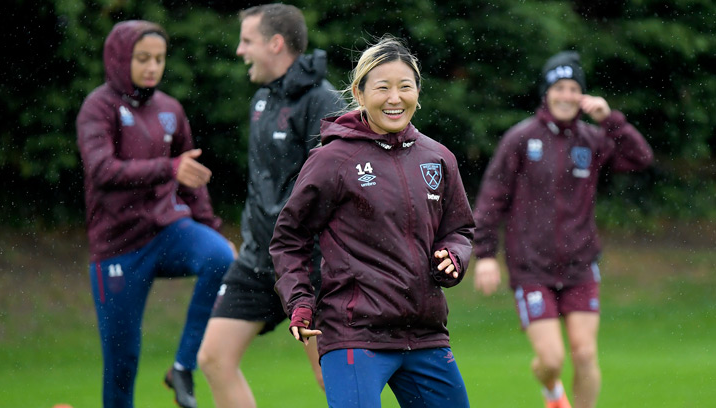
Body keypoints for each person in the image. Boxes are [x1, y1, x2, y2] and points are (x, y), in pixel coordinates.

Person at [269, 36, 476, 408]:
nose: (395, 98)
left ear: (418, 91)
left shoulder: (439, 157)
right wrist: (299, 300)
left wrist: (454, 256)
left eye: (405, 87)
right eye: (382, 88)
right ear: (359, 94)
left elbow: (459, 229)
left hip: (425, 334)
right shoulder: (332, 160)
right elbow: (290, 237)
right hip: (353, 333)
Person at [472, 51, 654, 408]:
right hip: (531, 268)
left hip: (580, 265)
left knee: (585, 354)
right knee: (552, 360)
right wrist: (485, 256)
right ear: (547, 93)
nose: (566, 95)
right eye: (559, 87)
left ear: (582, 96)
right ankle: (552, 391)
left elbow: (640, 158)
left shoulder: (593, 139)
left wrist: (611, 120)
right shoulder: (521, 139)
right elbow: (491, 199)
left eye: (574, 88)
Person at [76, 20, 236, 408]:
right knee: (122, 362)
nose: (152, 67)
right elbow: (102, 171)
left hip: (168, 231)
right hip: (118, 247)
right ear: (119, 57)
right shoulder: (98, 107)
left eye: (160, 59)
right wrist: (169, 168)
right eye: (142, 58)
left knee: (221, 256)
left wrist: (212, 227)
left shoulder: (170, 109)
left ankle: (182, 367)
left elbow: (190, 178)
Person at [195, 4, 345, 407]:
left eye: (247, 41)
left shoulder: (323, 101)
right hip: (259, 260)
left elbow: (338, 187)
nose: (240, 51)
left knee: (330, 377)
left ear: (275, 43)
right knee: (213, 357)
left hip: (311, 265)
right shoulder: (261, 100)